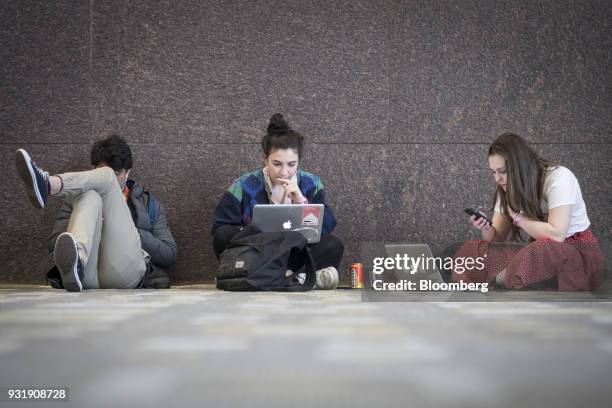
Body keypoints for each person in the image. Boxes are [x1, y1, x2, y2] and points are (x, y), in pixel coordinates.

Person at [15, 135, 177, 292]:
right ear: (93, 171)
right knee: (90, 196)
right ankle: (77, 261)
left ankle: (49, 184)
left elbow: (168, 254)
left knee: (104, 179)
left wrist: (129, 229)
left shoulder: (148, 203)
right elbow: (54, 245)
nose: (114, 178)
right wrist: (90, 223)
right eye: (101, 171)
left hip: (125, 273)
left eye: (117, 173)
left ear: (128, 172)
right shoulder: (79, 197)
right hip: (86, 275)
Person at [452, 133, 603, 291]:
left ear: (520, 166)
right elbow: (497, 240)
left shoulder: (559, 178)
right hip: (534, 256)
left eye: (502, 171)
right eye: (493, 172)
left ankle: (499, 280)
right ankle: (509, 278)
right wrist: (486, 227)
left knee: (543, 249)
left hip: (573, 253)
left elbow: (557, 236)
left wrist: (518, 218)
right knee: (474, 250)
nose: (497, 178)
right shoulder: (506, 188)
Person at [212, 113, 344, 289]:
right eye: (276, 164)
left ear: (298, 162)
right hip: (258, 253)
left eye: (291, 164)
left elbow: (324, 227)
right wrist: (251, 231)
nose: (284, 172)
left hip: (293, 254)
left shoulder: (311, 183)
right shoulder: (243, 185)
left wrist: (302, 203)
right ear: (265, 159)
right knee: (223, 236)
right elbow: (220, 227)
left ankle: (261, 278)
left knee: (333, 245)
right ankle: (295, 279)